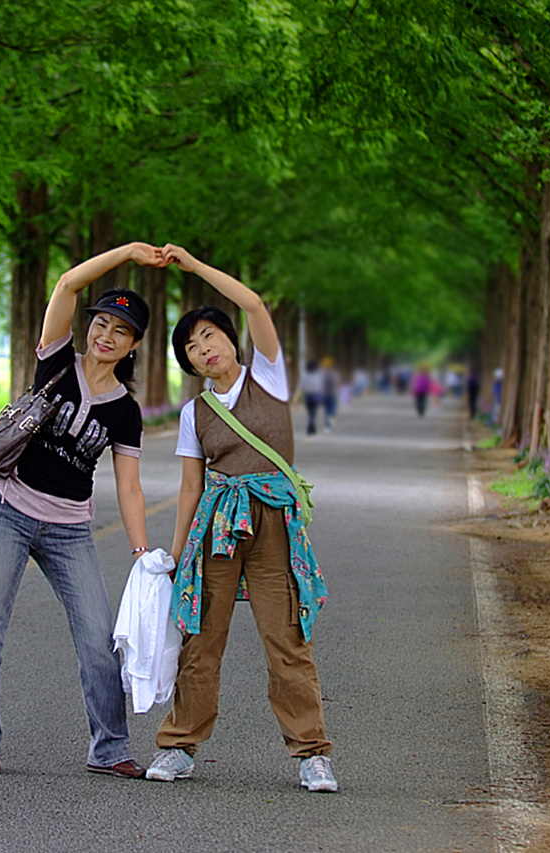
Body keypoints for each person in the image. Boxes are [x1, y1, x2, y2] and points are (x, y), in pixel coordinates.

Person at [0, 242, 166, 779]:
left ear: (133, 345)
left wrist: (142, 553)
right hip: (9, 509)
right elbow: (67, 284)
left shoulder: (126, 411)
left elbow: (130, 488)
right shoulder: (55, 363)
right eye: (101, 322)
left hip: (70, 530)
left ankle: (110, 746)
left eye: (121, 331)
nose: (106, 335)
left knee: (99, 639)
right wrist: (130, 253)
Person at [144, 244, 337, 793]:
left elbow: (254, 304)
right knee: (200, 638)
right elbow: (189, 487)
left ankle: (311, 753)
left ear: (230, 340)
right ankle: (179, 745)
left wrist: (195, 267)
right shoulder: (194, 413)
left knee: (287, 637)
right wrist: (180, 556)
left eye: (209, 336)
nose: (203, 348)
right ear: (187, 363)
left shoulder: (270, 380)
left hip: (273, 522)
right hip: (217, 527)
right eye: (190, 346)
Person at [299, 358, 325, 436]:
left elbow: (301, 387)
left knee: (310, 412)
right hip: (316, 396)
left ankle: (311, 428)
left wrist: (296, 398)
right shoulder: (319, 374)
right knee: (313, 413)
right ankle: (311, 428)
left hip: (308, 396)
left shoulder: (305, 375)